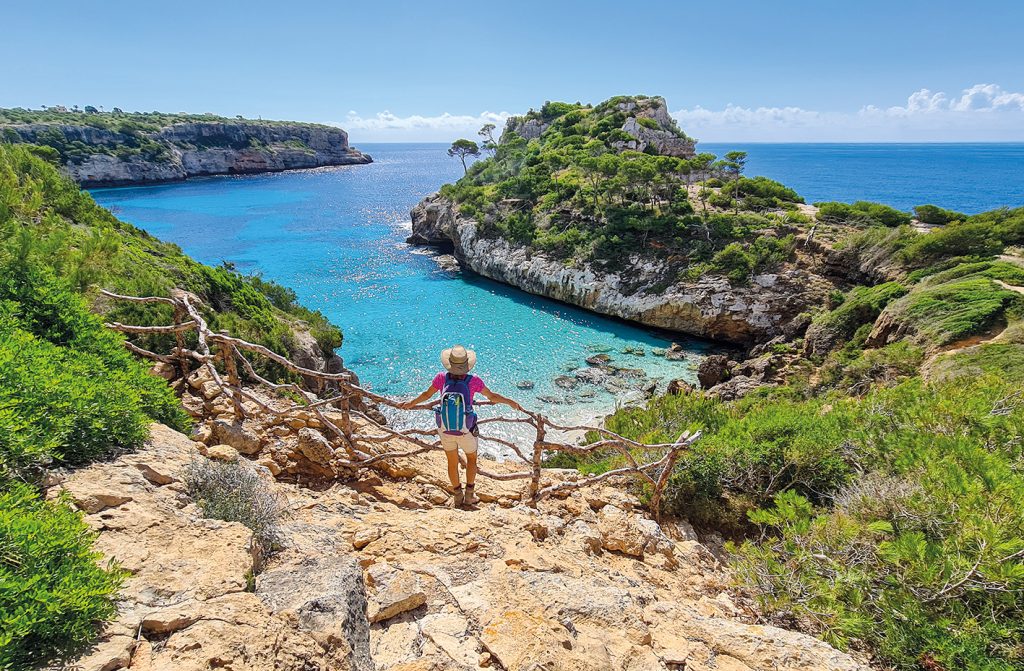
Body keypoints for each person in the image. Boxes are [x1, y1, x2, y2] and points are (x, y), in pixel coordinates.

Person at [399, 345, 523, 506]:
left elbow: (426, 395)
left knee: (452, 462)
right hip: (466, 429)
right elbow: (492, 396)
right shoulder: (474, 381)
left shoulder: (441, 378)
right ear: (467, 364)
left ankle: (457, 495)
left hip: (445, 428)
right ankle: (469, 495)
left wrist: (410, 403)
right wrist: (510, 402)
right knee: (471, 459)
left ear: (449, 363)